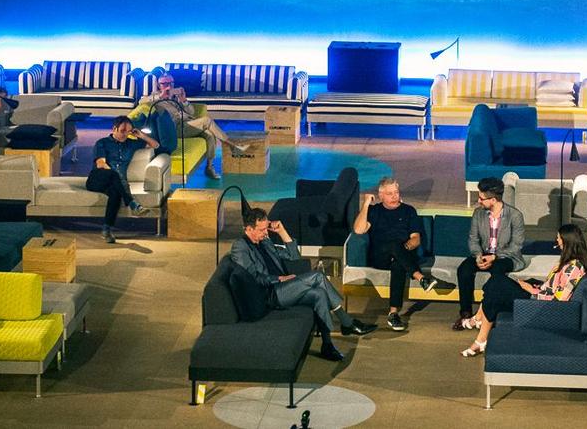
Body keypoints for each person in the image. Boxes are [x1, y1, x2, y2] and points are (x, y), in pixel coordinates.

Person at [230, 206, 376, 361]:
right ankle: (347, 322)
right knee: (318, 277)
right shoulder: (240, 247)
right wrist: (278, 279)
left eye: (266, 229)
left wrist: (282, 231)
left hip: (284, 288)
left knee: (319, 294)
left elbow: (294, 256)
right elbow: (252, 277)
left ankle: (327, 345)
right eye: (261, 230)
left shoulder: (264, 242)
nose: (266, 233)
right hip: (269, 293)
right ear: (248, 228)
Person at [459, 223, 587, 357]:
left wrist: (533, 291)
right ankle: (480, 336)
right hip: (538, 294)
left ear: (567, 241)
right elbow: (552, 288)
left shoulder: (573, 269)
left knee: (496, 284)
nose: (556, 241)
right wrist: (533, 286)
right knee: (496, 285)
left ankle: (479, 325)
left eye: (559, 238)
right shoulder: (568, 263)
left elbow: (559, 299)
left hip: (539, 304)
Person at [351, 176, 446, 331]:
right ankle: (421, 278)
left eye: (396, 192)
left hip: (403, 254)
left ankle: (393, 313)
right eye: (390, 194)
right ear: (381, 195)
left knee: (398, 263)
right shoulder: (374, 211)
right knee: (394, 245)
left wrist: (404, 250)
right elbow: (358, 230)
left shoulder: (409, 211)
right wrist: (366, 204)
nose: (395, 196)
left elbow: (415, 239)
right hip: (379, 256)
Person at [132, 72, 245, 179]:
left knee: (209, 135)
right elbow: (142, 102)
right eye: (164, 83)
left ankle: (209, 167)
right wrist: (161, 96)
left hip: (186, 124)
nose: (168, 86)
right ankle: (232, 145)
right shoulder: (154, 97)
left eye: (171, 83)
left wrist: (184, 99)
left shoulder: (175, 96)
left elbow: (190, 112)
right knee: (207, 121)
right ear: (158, 85)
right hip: (174, 129)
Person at [454, 176, 526, 329]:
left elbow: (516, 245)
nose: (479, 201)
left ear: (493, 200)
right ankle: (466, 314)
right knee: (464, 270)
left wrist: (495, 257)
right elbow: (473, 239)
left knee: (498, 272)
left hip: (506, 256)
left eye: (481, 198)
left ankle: (487, 315)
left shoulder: (515, 216)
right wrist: (479, 256)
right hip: (484, 253)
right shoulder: (478, 214)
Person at [90, 117, 158, 243]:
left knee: (115, 194)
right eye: (122, 131)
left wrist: (141, 135)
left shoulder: (131, 144)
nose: (125, 134)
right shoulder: (102, 142)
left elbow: (155, 145)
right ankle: (133, 204)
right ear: (114, 129)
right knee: (114, 175)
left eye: (128, 131)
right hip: (98, 178)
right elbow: (101, 164)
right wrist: (116, 175)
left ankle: (106, 229)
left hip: (117, 183)